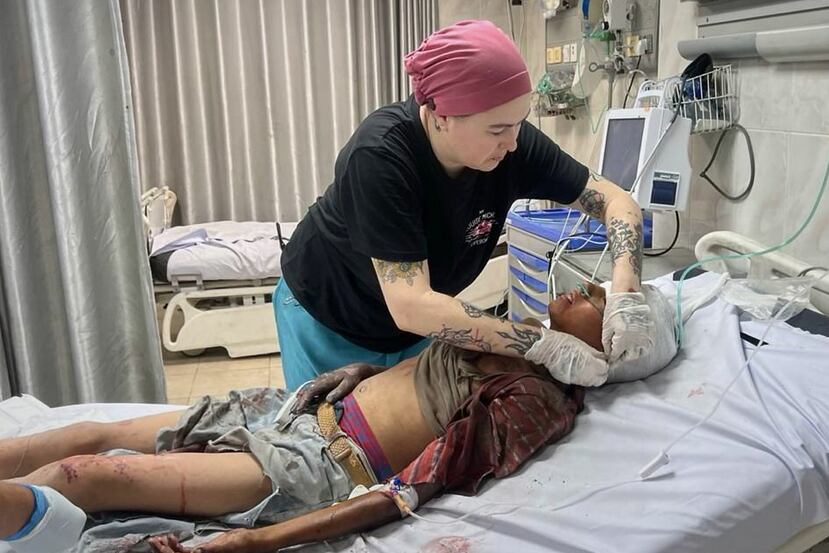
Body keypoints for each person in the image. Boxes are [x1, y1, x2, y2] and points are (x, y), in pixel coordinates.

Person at [0, 284, 677, 553]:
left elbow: (416, 485)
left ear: (607, 349)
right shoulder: (520, 336)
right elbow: (418, 362)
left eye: (604, 301)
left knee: (83, 474)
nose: (589, 285)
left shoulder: (537, 401)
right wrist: (359, 374)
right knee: (91, 434)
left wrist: (260, 543)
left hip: (318, 461)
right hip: (292, 409)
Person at [275, 19, 654, 391]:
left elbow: (617, 201)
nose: (513, 143)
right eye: (497, 129)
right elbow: (411, 305)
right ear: (441, 116)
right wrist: (540, 344)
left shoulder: (512, 147)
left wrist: (625, 293)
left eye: (519, 123)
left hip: (417, 323)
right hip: (329, 312)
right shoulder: (381, 156)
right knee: (334, 439)